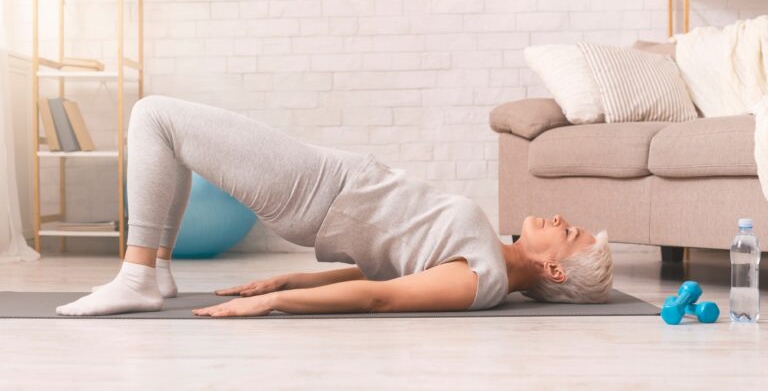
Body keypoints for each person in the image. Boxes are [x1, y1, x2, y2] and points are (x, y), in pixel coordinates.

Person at [55, 95, 613, 317]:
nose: (560, 220)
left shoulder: (481, 281)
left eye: (569, 233)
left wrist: (276, 305)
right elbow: (391, 269)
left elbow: (381, 297)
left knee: (154, 116)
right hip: (325, 181)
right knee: (173, 138)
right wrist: (294, 279)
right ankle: (155, 272)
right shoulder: (487, 255)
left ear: (554, 269)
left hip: (316, 192)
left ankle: (137, 277)